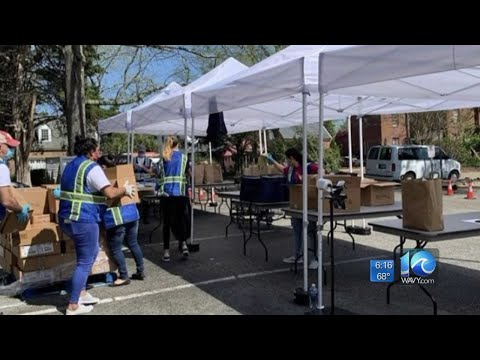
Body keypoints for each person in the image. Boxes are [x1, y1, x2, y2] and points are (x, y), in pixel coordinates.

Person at [58, 136, 135, 315]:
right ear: (91, 151)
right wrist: (124, 189)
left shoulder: (71, 166)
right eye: (97, 150)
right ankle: (73, 305)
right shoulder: (92, 168)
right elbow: (109, 193)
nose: (99, 153)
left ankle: (82, 293)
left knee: (88, 254)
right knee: (85, 260)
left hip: (67, 218)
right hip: (83, 218)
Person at [264, 148, 320, 269]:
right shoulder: (290, 169)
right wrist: (271, 160)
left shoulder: (310, 167)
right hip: (295, 205)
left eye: (287, 159)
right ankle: (297, 255)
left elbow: (322, 174)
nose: (286, 161)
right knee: (297, 231)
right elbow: (281, 169)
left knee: (311, 231)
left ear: (292, 158)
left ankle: (315, 258)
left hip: (310, 205)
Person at [98, 155, 145, 286]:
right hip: (133, 214)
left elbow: (106, 198)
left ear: (103, 166)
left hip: (117, 218)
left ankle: (123, 276)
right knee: (133, 243)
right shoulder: (125, 174)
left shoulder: (105, 179)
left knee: (116, 248)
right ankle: (141, 271)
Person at [157, 136, 191, 262]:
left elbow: (159, 176)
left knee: (167, 224)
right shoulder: (184, 158)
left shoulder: (164, 158)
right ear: (178, 145)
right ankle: (184, 245)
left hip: (167, 195)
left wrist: (158, 188)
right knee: (181, 220)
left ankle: (166, 252)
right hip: (181, 194)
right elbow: (189, 174)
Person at [0, 131, 31, 224]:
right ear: (0, 147)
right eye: (9, 147)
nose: (12, 150)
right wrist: (20, 210)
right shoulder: (2, 168)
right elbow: (6, 201)